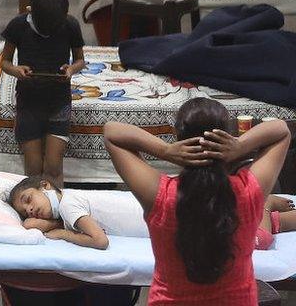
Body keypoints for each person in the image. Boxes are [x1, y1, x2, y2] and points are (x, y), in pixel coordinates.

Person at [104, 98, 290, 305]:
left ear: (178, 136)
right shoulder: (247, 192)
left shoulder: (161, 195)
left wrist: (165, 151)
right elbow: (280, 130)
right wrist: (240, 146)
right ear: (227, 136)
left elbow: (112, 132)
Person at [0, 0, 85, 187]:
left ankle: (55, 209)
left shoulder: (70, 25)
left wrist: (71, 69)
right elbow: (5, 62)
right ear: (31, 12)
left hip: (58, 100)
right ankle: (36, 207)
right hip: (28, 102)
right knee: (33, 168)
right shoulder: (18, 26)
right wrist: (16, 70)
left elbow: (80, 60)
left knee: (54, 166)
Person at [6, 175, 149, 249]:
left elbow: (100, 241)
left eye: (28, 199)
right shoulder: (67, 197)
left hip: (155, 216)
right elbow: (29, 225)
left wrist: (63, 234)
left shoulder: (68, 205)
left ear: (45, 185)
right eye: (25, 212)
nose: (29, 209)